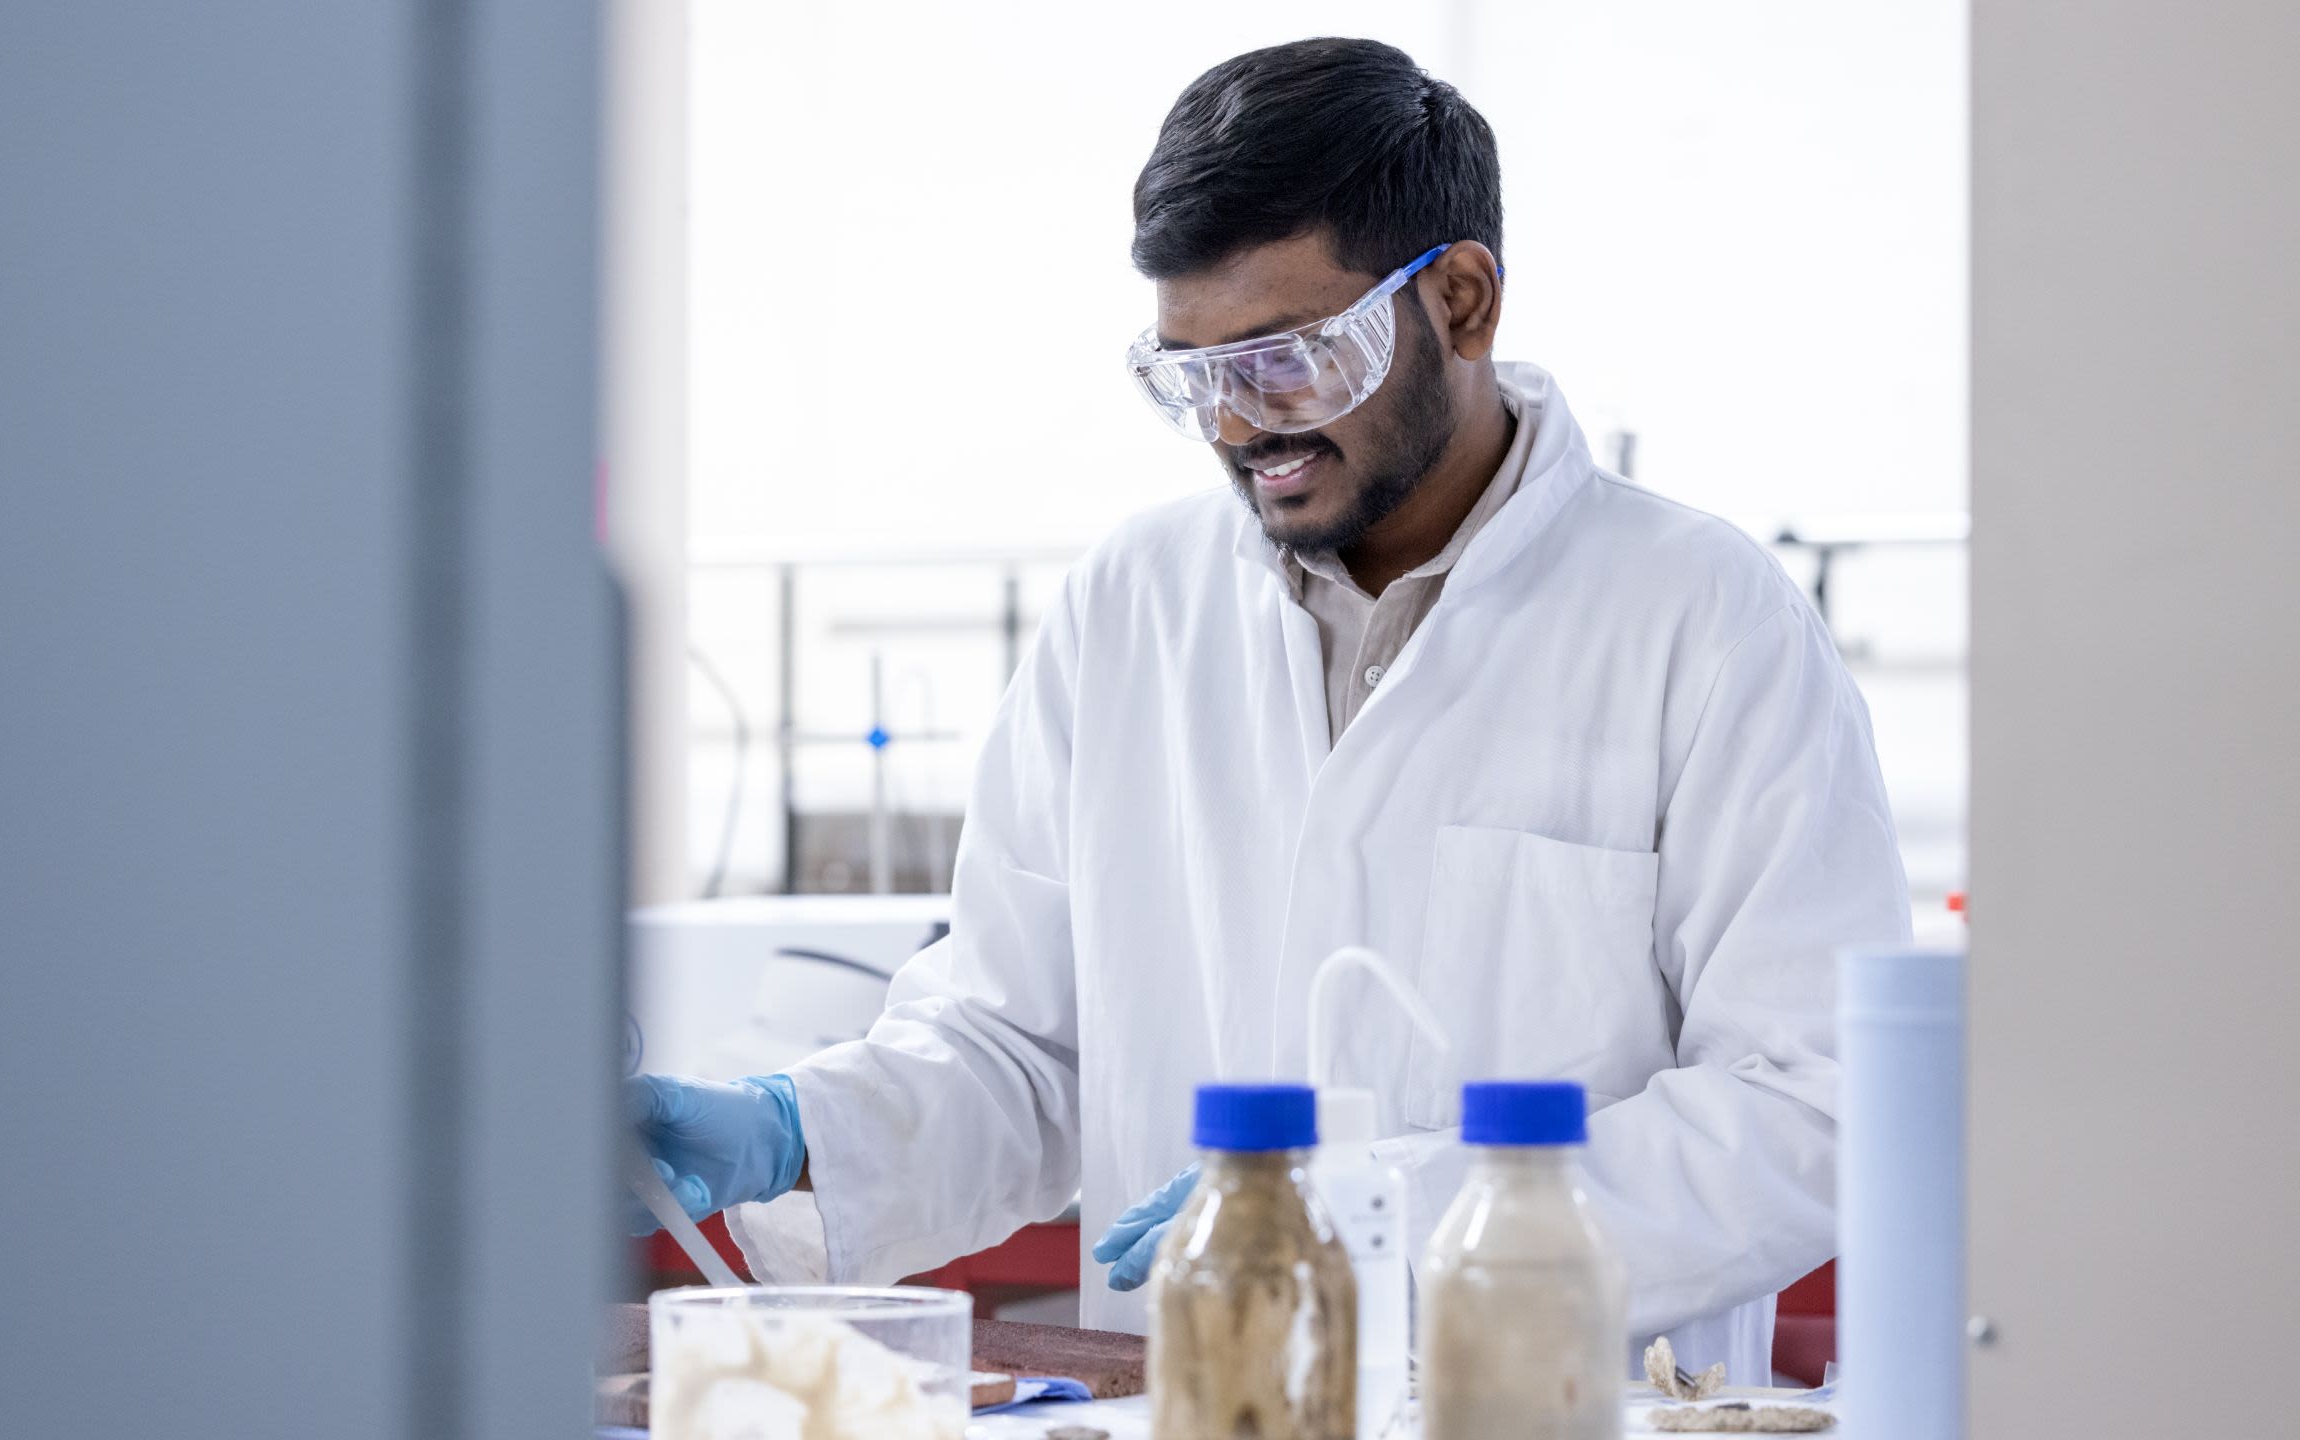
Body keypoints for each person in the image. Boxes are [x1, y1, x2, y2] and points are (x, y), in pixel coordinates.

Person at [629, 36, 1908, 1386]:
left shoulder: (1702, 619)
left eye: (1288, 358)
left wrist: (1380, 1225)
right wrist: (799, 1128)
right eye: (1191, 375)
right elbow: (1019, 1046)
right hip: (1183, 1402)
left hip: (1550, 1405)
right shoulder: (1134, 604)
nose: (1240, 427)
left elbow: (1810, 1105)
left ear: (1462, 302)